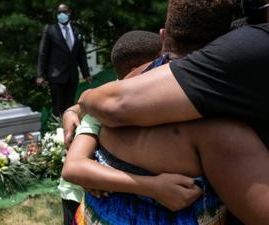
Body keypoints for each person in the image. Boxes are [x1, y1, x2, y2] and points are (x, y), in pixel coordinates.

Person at [64, 0, 269, 224]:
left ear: (163, 36)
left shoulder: (120, 89)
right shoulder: (219, 129)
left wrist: (81, 102)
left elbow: (75, 163)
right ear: (224, 45)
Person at [57, 30, 162, 225]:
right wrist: (154, 186)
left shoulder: (122, 95)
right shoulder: (107, 106)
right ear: (135, 69)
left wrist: (70, 111)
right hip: (78, 195)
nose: (166, 69)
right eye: (160, 63)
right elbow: (74, 168)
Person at [36, 3, 92, 116]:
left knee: (70, 106)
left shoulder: (76, 31)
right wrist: (40, 75)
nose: (62, 14)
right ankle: (58, 131)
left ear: (69, 13)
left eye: (64, 12)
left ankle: (70, 130)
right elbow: (43, 53)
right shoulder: (50, 30)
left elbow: (81, 54)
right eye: (59, 12)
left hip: (72, 76)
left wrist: (86, 74)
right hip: (56, 76)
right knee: (58, 107)